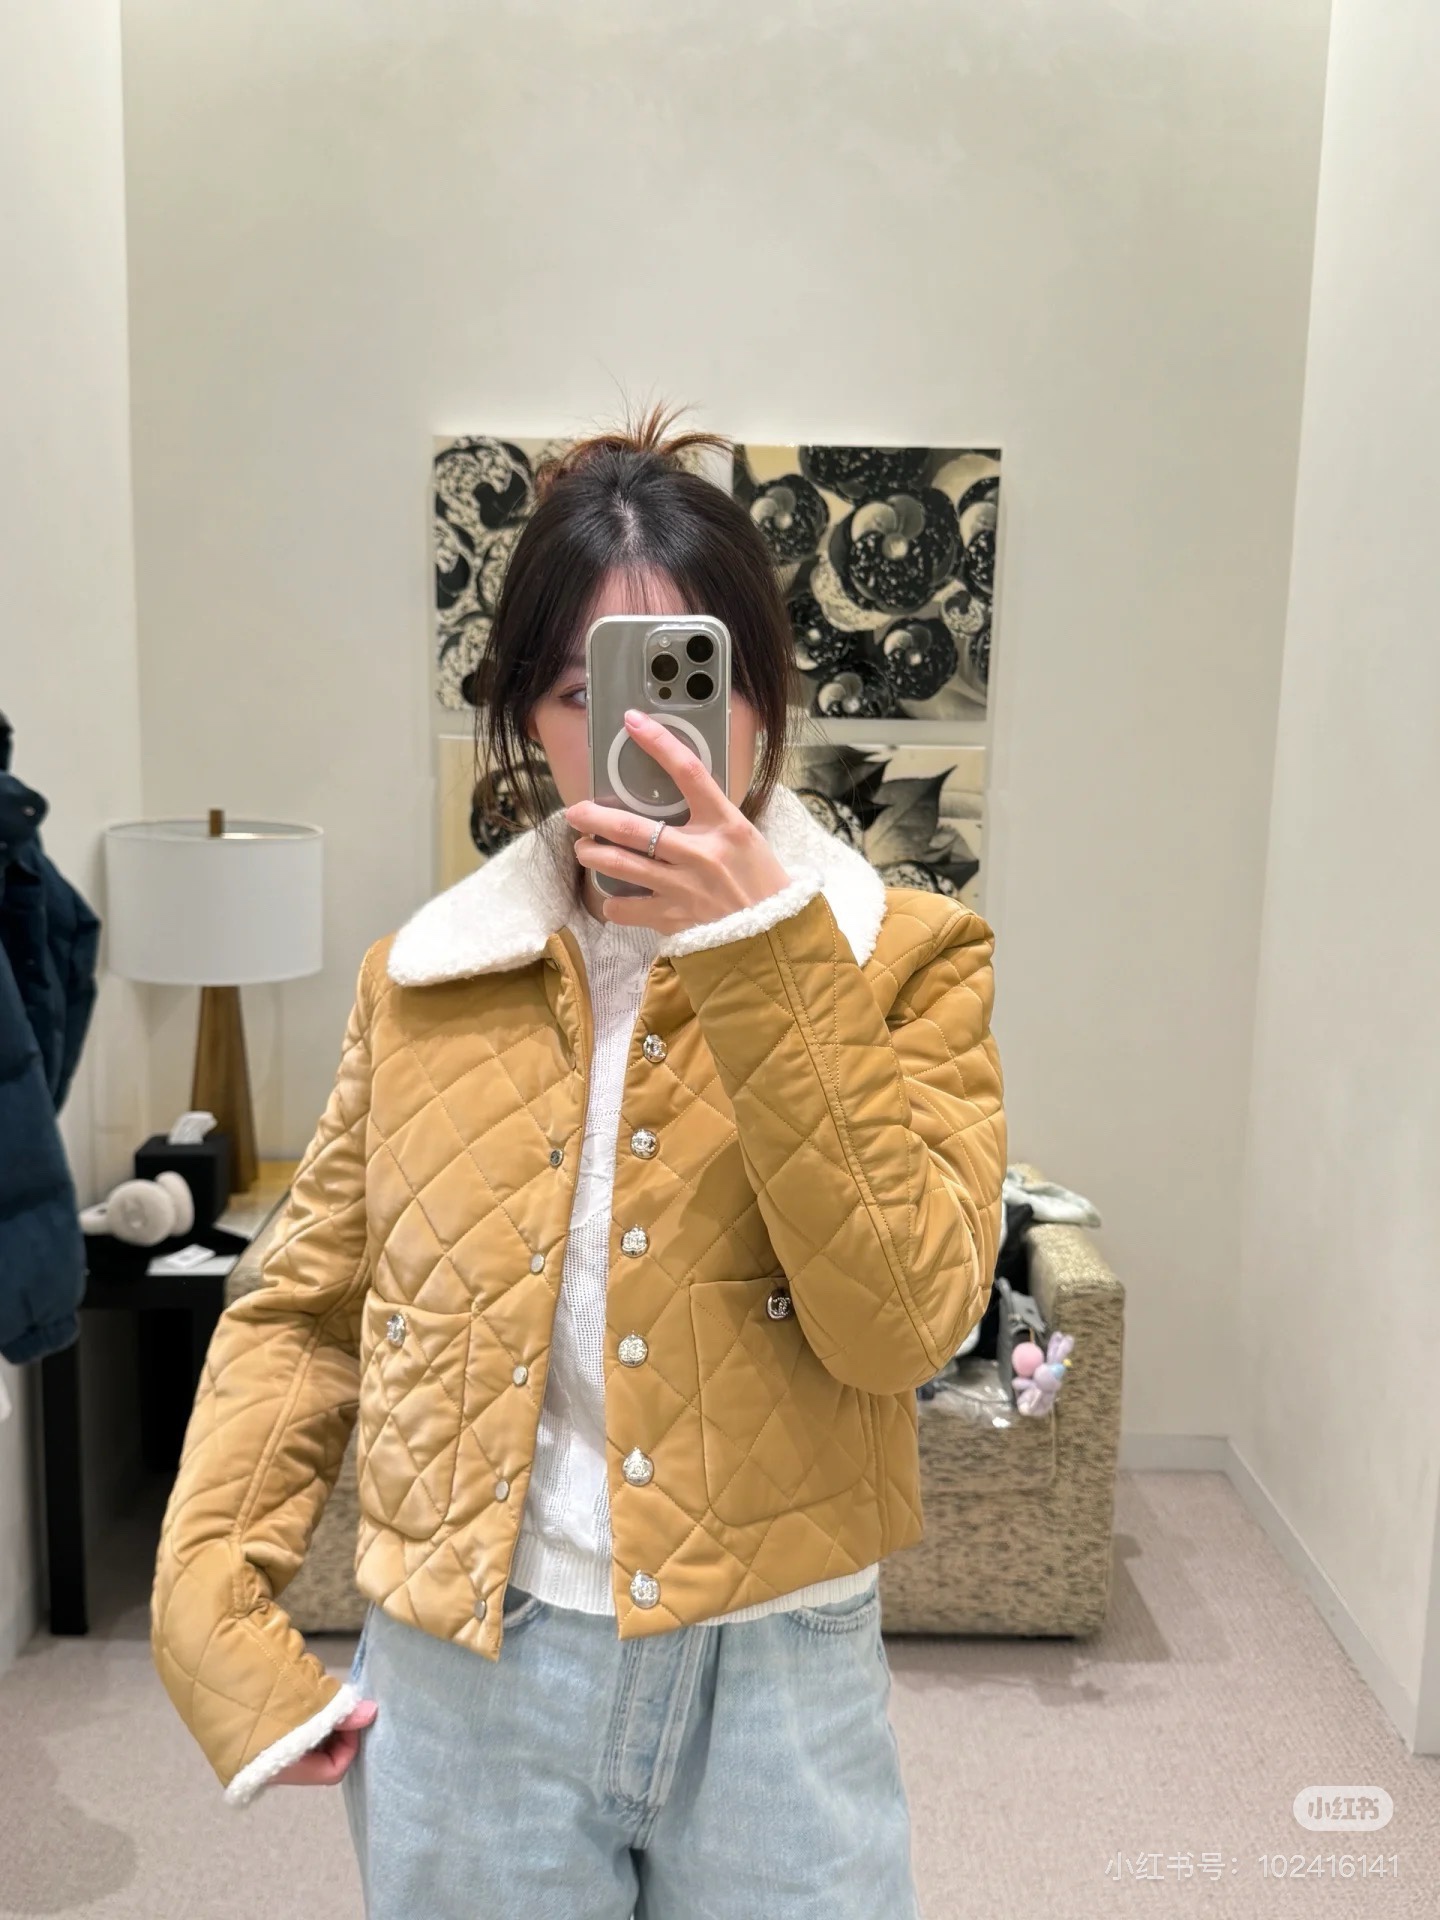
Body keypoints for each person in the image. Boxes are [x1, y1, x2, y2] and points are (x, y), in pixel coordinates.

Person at [149, 402, 1007, 1918]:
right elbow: (305, 1310)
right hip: (470, 1666)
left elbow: (904, 1324)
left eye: (697, 678)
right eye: (581, 688)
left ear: (765, 693)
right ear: (530, 718)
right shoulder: (423, 978)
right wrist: (214, 1612)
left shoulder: (905, 959)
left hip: (778, 1665)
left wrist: (762, 950)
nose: (654, 736)